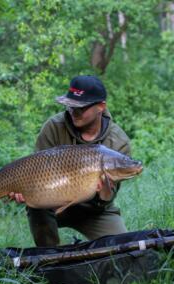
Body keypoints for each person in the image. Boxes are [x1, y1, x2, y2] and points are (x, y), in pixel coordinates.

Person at [9, 75, 131, 246]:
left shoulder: (118, 141)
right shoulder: (54, 127)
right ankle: (50, 259)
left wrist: (103, 192)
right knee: (36, 208)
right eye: (70, 106)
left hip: (95, 211)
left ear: (101, 107)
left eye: (80, 107)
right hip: (53, 203)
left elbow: (107, 198)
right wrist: (23, 189)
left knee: (120, 248)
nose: (73, 112)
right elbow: (35, 172)